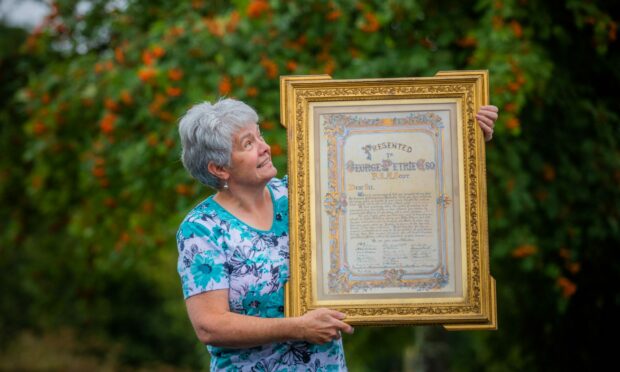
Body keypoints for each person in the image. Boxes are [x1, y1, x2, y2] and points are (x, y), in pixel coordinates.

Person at [176, 99, 497, 371]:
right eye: (248, 144)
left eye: (260, 136)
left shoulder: (302, 194)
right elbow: (210, 325)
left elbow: (389, 185)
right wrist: (297, 327)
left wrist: (463, 137)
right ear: (219, 168)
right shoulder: (202, 229)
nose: (265, 148)